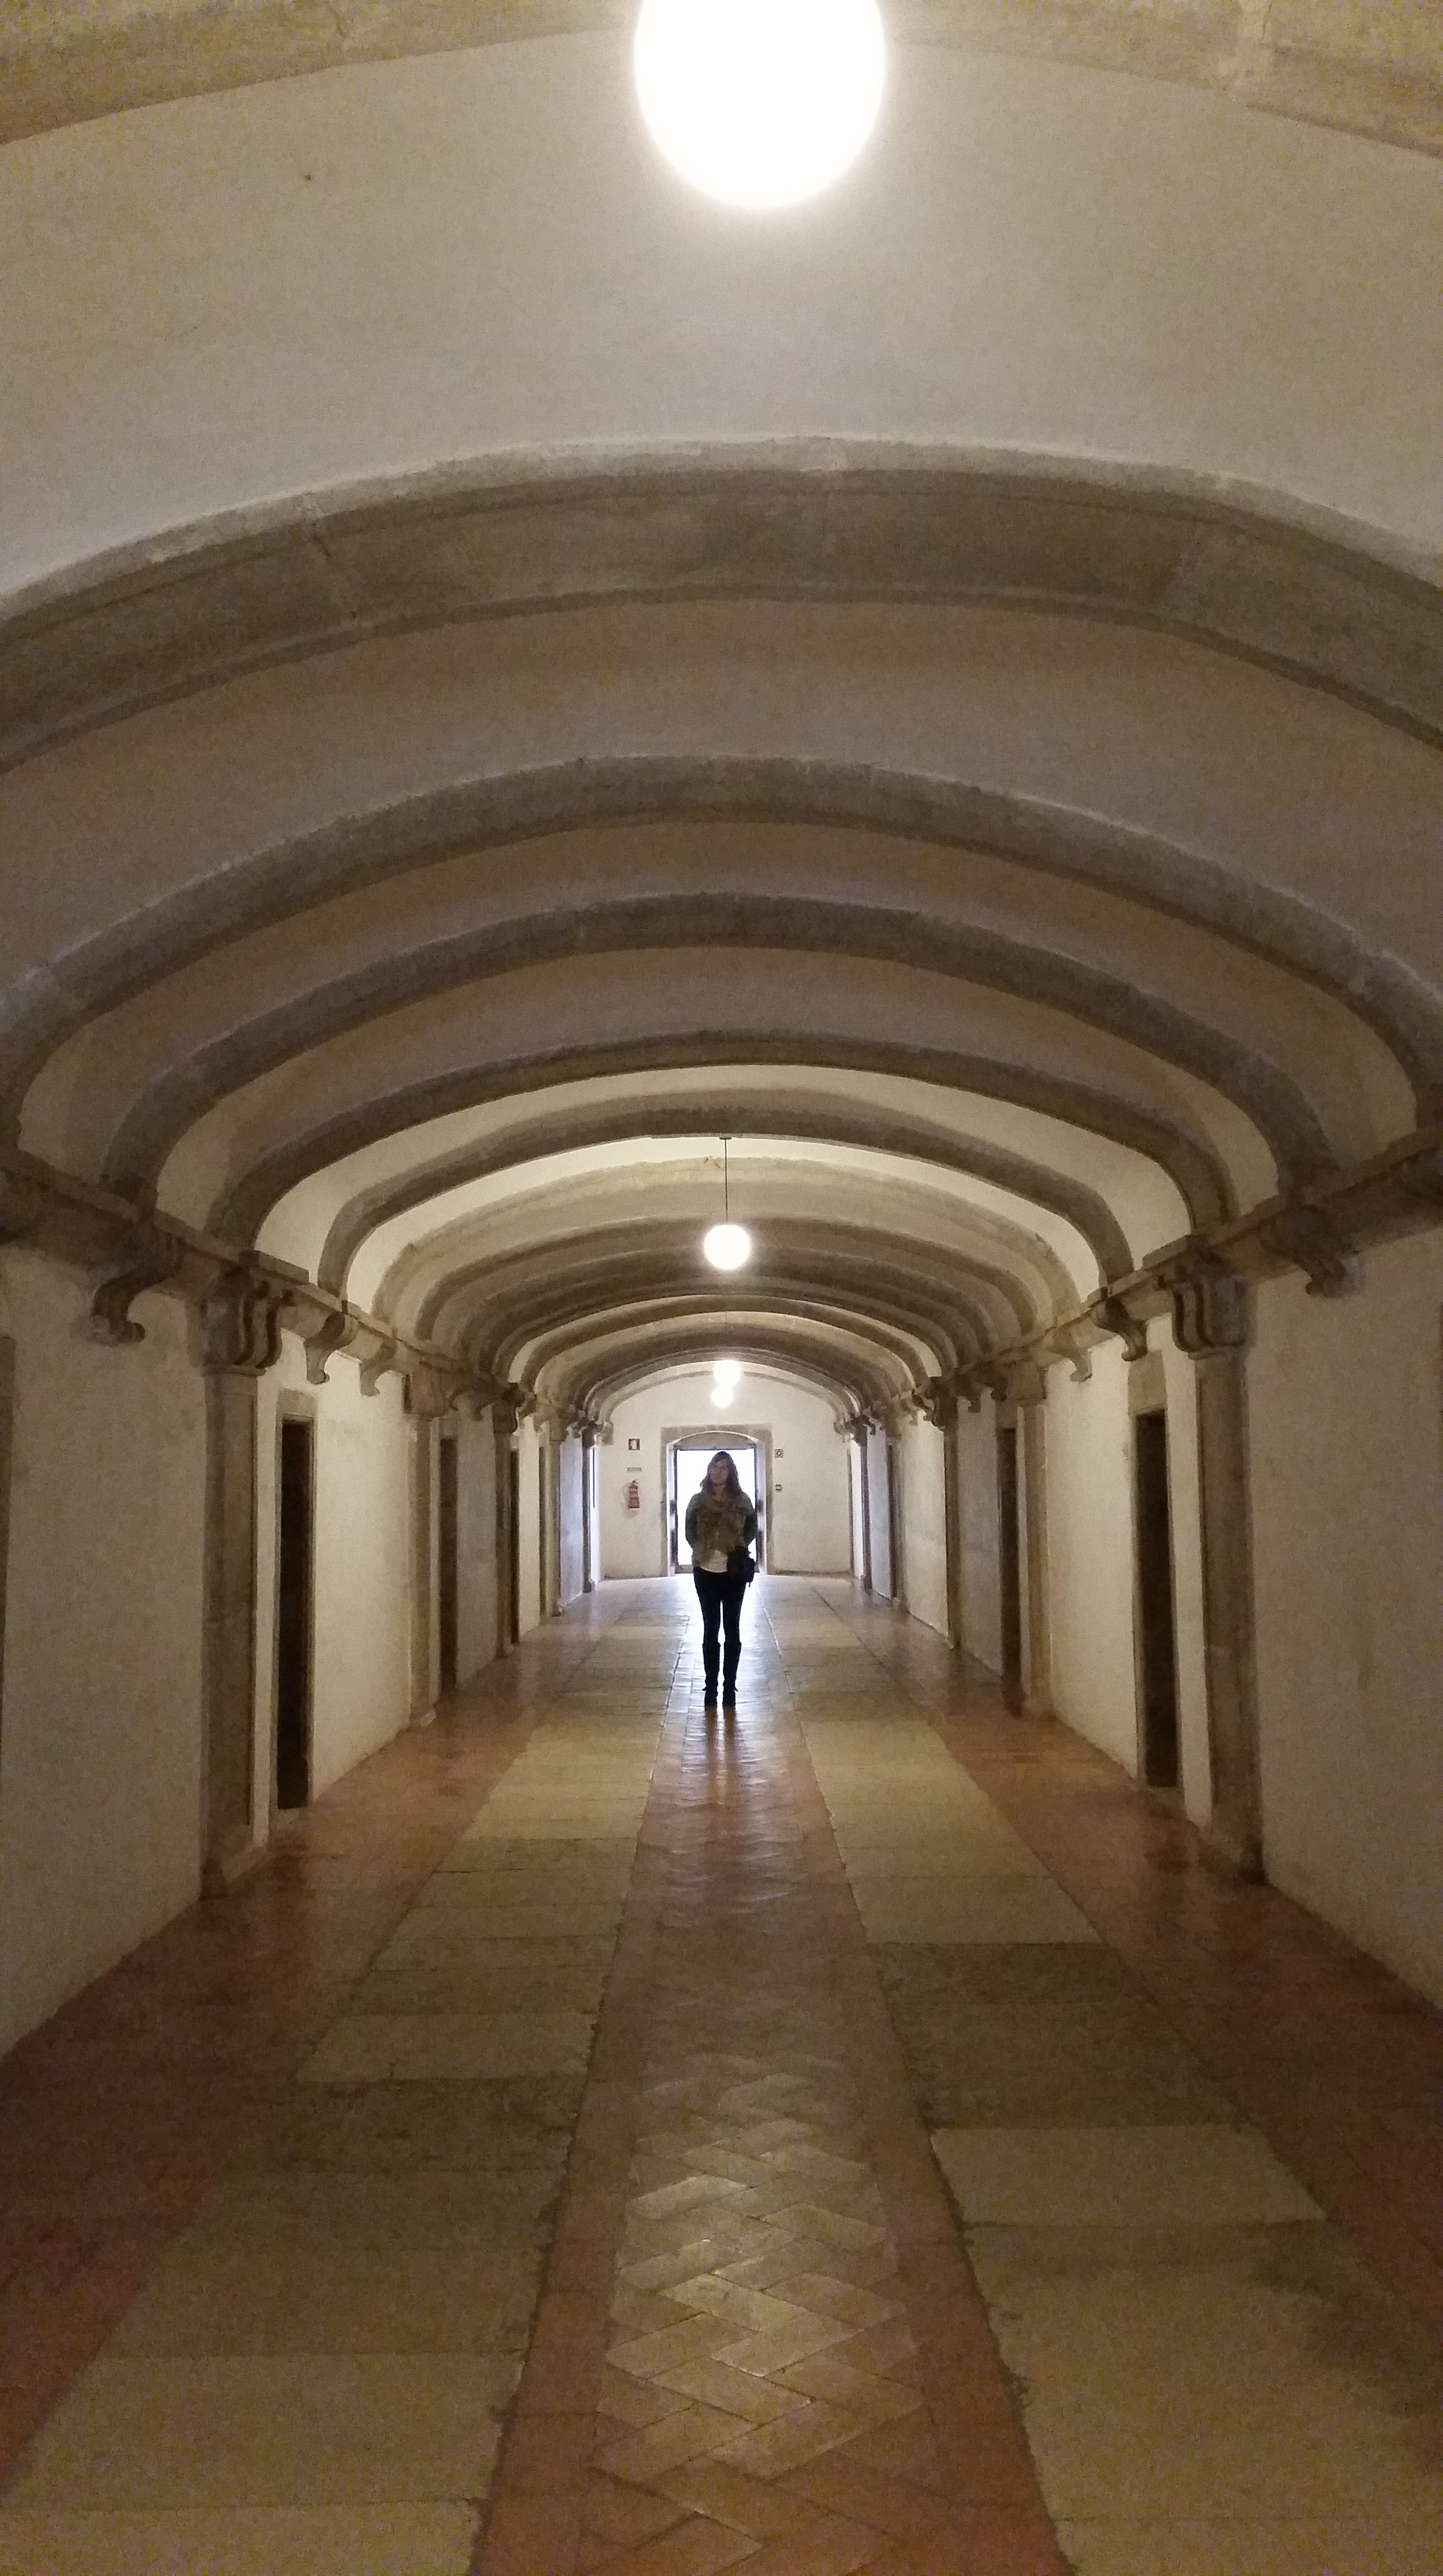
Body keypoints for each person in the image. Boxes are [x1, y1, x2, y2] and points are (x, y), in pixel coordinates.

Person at [684, 1450, 757, 1715]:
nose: (718, 1472)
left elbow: (751, 1529)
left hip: (733, 1571)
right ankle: (711, 1686)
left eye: (724, 1468)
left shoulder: (742, 1500)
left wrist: (736, 1547)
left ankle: (730, 1687)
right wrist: (702, 1550)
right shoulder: (698, 1501)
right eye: (715, 1467)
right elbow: (689, 1531)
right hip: (705, 1571)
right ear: (709, 1471)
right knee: (711, 1628)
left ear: (731, 1472)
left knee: (732, 1628)